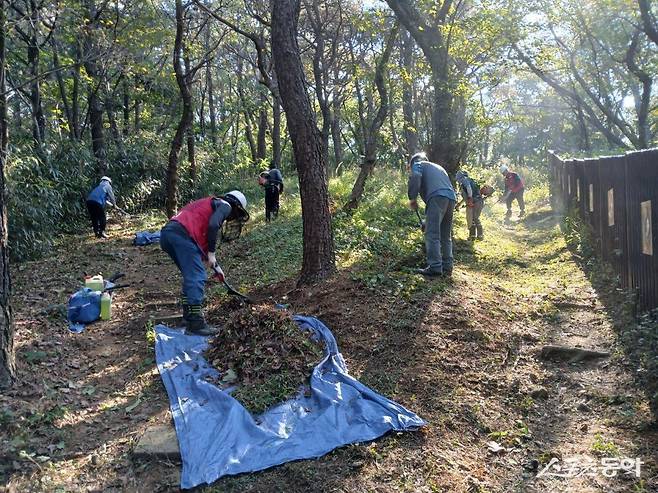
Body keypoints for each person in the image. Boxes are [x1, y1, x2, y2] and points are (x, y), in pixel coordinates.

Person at [160, 191, 249, 336]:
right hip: (182, 235)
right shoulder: (225, 205)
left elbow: (203, 238)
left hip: (168, 234)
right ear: (236, 206)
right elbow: (213, 226)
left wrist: (216, 266)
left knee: (190, 277)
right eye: (236, 214)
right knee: (197, 277)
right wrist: (212, 254)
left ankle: (187, 318)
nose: (231, 218)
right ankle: (196, 323)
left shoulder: (206, 205)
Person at [407, 152, 456, 277]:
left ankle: (434, 267)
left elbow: (416, 177)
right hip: (450, 198)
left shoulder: (418, 164)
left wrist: (412, 198)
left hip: (437, 196)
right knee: (445, 235)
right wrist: (426, 222)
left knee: (432, 234)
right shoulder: (438, 168)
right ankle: (447, 266)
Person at [455, 170, 485, 241]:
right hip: (479, 201)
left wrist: (470, 199)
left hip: (474, 202)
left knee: (471, 219)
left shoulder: (464, 180)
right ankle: (480, 236)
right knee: (475, 218)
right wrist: (459, 204)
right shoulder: (471, 181)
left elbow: (469, 189)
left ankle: (472, 236)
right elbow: (466, 195)